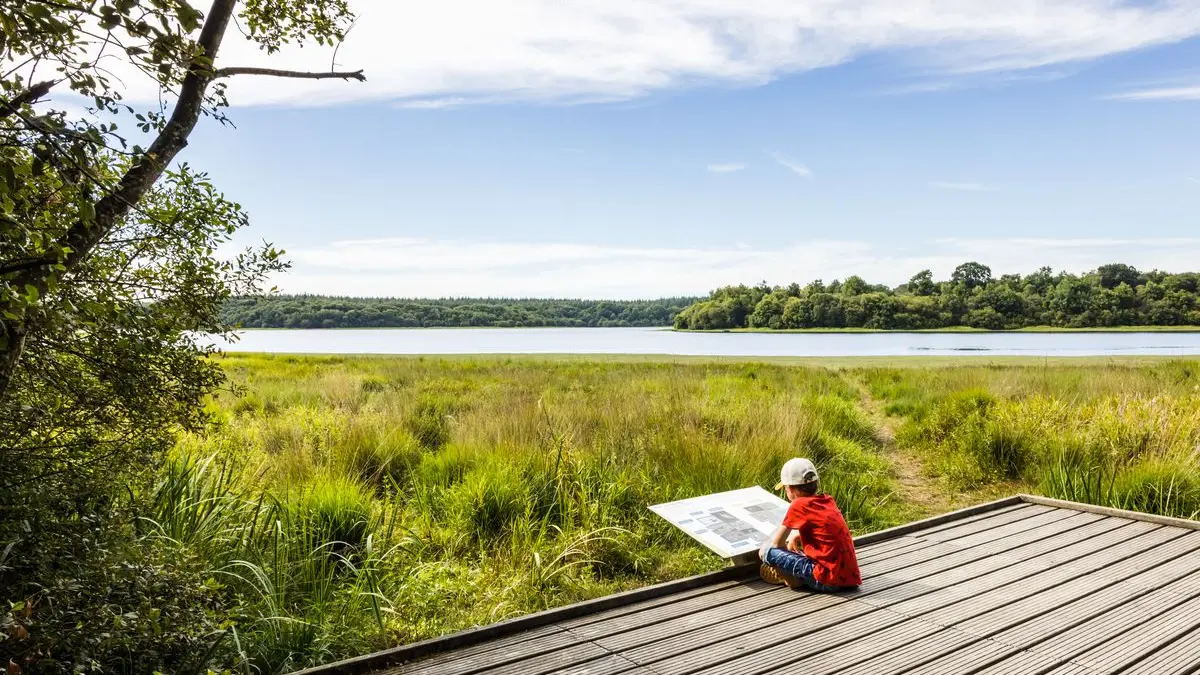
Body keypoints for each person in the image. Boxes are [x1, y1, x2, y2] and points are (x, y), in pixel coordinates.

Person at [757, 457, 861, 592]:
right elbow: (824, 529)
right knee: (796, 549)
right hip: (849, 579)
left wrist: (783, 561)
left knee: (766, 551)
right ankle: (798, 576)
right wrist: (796, 536)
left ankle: (792, 579)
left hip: (827, 580)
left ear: (791, 489)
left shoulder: (798, 504)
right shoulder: (827, 500)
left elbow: (777, 545)